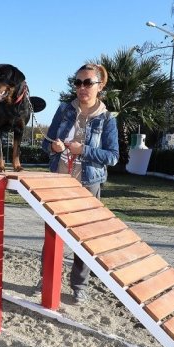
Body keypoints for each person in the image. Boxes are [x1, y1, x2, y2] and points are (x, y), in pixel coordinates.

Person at [37, 63, 120, 304]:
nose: (81, 88)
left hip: (88, 184)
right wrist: (53, 146)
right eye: (78, 82)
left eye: (87, 82)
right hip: (59, 181)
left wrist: (83, 150)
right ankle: (47, 278)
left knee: (83, 239)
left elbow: (112, 156)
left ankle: (78, 285)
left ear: (100, 86)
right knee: (53, 235)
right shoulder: (64, 110)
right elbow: (47, 143)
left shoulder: (106, 119)